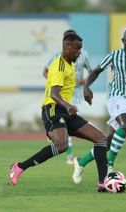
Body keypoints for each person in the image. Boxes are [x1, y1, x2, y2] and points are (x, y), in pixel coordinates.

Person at [9, 33, 108, 192]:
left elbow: (68, 87)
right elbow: (54, 94)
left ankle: (103, 184)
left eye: (80, 49)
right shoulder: (59, 65)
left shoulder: (70, 64)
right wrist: (68, 105)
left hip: (66, 111)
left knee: (101, 138)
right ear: (67, 47)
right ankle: (19, 167)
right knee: (61, 146)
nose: (79, 52)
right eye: (77, 49)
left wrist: (85, 90)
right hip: (53, 108)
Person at [72, 28, 126, 184]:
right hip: (116, 96)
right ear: (123, 41)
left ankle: (81, 161)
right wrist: (86, 87)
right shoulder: (115, 55)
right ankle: (109, 164)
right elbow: (97, 71)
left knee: (107, 141)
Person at [43, 29, 92, 164]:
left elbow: (91, 72)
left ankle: (55, 134)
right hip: (60, 96)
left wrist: (85, 83)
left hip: (77, 94)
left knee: (71, 124)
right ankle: (69, 154)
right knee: (64, 123)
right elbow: (45, 71)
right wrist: (54, 81)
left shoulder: (83, 55)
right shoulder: (57, 57)